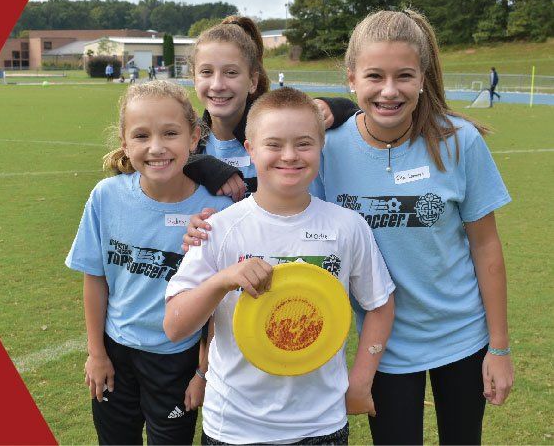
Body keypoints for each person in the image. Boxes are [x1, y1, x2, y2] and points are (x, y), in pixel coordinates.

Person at [184, 9, 514, 444]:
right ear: (352, 78)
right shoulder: (329, 146)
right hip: (385, 347)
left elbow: (486, 247)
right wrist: (207, 224)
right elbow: (281, 206)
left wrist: (499, 347)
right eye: (375, 76)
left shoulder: (458, 141)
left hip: (463, 339)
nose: (389, 91)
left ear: (423, 76)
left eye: (405, 76)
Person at [164, 87, 396, 445]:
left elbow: (379, 304)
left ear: (321, 147)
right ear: (250, 150)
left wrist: (361, 380)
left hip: (321, 426)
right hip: (234, 427)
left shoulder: (347, 227)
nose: (289, 156)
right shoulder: (218, 229)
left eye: (303, 143)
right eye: (273, 144)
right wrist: (221, 281)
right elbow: (175, 327)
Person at [65, 80, 234, 445]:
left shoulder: (217, 211)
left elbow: (220, 303)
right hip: (115, 354)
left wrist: (202, 372)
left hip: (177, 360)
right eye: (141, 136)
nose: (156, 148)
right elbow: (95, 279)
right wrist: (97, 355)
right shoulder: (106, 197)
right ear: (125, 142)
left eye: (170, 133)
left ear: (194, 138)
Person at [182, 16, 359, 200]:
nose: (217, 85)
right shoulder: (189, 144)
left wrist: (335, 107)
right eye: (206, 72)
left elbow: (360, 116)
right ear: (194, 79)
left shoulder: (278, 131)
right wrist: (197, 163)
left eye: (231, 73)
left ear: (252, 81)